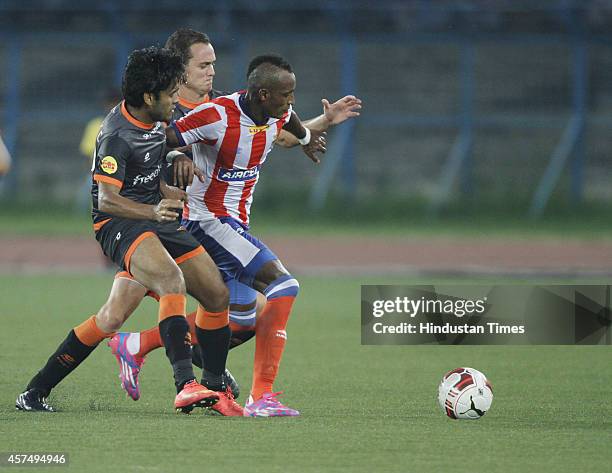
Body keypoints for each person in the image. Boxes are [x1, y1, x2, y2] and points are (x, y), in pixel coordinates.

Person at [105, 29, 361, 415]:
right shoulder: (216, 114)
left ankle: (138, 345)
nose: (290, 103)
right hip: (206, 221)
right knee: (283, 285)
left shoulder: (274, 115)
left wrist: (318, 128)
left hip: (235, 225)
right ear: (263, 94)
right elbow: (165, 138)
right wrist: (177, 158)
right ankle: (262, 397)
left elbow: (293, 129)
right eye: (204, 64)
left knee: (240, 320)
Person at [15, 46, 243, 416]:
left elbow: (155, 160)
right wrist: (154, 208)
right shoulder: (115, 136)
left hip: (155, 219)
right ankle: (187, 384)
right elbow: (106, 200)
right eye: (170, 94)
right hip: (119, 223)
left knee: (210, 295)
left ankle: (34, 392)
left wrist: (175, 166)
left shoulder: (156, 117)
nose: (175, 101)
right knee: (171, 280)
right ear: (149, 97)